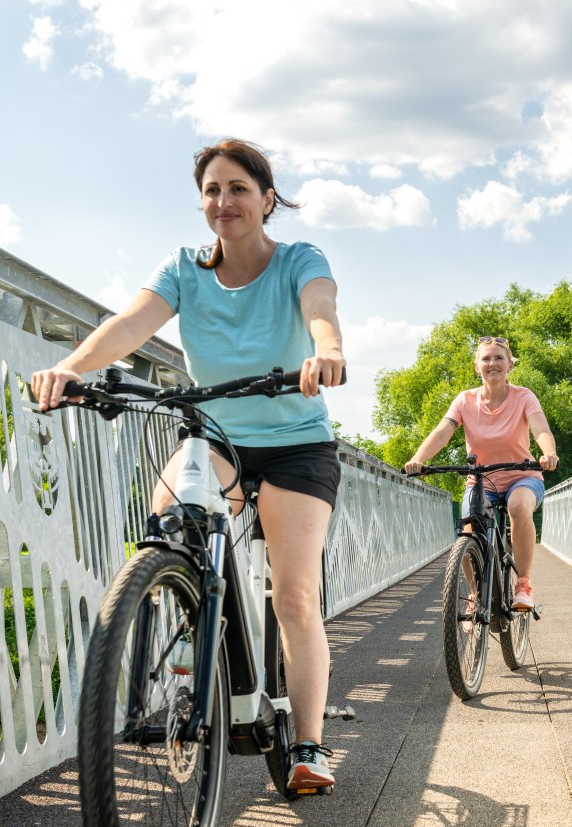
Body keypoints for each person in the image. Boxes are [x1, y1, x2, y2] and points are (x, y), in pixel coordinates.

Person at [31, 138, 346, 791]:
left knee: (293, 595)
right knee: (168, 530)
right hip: (215, 434)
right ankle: (184, 655)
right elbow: (131, 324)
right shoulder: (184, 267)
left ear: (266, 199)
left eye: (237, 188)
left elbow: (320, 310)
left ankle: (308, 748)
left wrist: (328, 350)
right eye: (211, 190)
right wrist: (71, 367)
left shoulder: (298, 260)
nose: (223, 201)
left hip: (295, 443)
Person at [404, 336, 558, 609]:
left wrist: (548, 453)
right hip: (481, 481)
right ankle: (475, 595)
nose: (493, 363)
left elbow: (540, 429)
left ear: (510, 365)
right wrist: (418, 459)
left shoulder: (524, 396)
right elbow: (443, 432)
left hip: (522, 476)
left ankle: (523, 583)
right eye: (486, 359)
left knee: (518, 506)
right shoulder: (465, 400)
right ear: (477, 367)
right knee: (467, 527)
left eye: (499, 358)